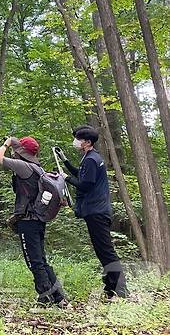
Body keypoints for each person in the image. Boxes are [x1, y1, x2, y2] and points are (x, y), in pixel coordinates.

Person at [0, 136, 70, 308]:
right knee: (41, 260)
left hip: (28, 220)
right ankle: (58, 297)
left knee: (33, 261)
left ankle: (45, 298)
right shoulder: (38, 168)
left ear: (22, 151)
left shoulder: (23, 166)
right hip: (38, 220)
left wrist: (7, 142)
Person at [55, 126, 128, 299]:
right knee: (102, 250)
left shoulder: (91, 159)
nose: (76, 142)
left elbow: (85, 184)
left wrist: (66, 178)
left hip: (96, 210)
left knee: (106, 251)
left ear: (87, 142)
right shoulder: (90, 157)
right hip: (96, 210)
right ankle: (111, 288)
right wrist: (65, 162)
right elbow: (82, 174)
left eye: (78, 139)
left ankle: (121, 290)